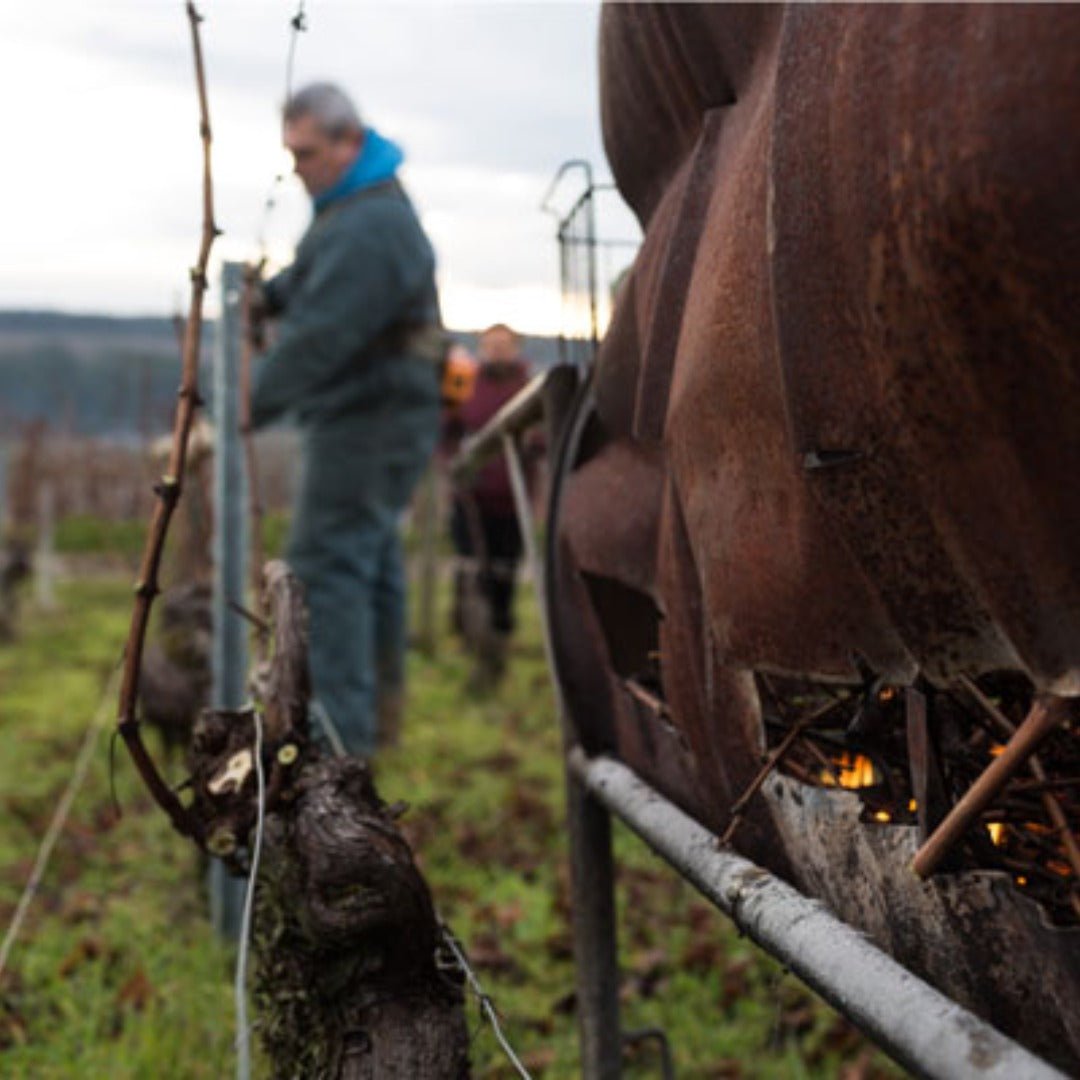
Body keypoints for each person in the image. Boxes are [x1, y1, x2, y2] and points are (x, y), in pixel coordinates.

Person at [249, 82, 443, 755]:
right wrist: (266, 294)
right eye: (291, 155)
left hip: (372, 418)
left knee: (326, 566)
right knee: (367, 557)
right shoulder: (351, 209)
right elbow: (311, 284)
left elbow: (320, 338)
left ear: (348, 141)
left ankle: (337, 748)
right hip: (376, 414)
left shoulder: (371, 223)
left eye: (306, 153)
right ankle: (373, 728)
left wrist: (233, 410)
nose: (297, 168)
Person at [442, 324, 532, 687]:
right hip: (471, 496)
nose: (496, 351)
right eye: (490, 345)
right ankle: (468, 634)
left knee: (504, 570)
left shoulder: (527, 387)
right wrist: (453, 465)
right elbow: (446, 426)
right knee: (469, 566)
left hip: (511, 499)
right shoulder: (463, 382)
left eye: (503, 345)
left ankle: (498, 636)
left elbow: (538, 436)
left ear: (515, 349)